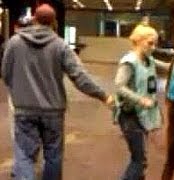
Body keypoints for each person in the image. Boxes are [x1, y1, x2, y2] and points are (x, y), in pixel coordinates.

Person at [1, 4, 108, 180]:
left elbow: (5, 74)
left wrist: (20, 91)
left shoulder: (14, 42)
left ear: (34, 19)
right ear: (54, 22)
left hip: (24, 110)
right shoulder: (61, 46)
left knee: (25, 156)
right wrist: (103, 95)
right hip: (53, 111)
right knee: (53, 156)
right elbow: (80, 77)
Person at [111, 23, 168, 180]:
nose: (153, 47)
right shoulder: (129, 61)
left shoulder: (148, 59)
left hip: (141, 116)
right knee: (139, 161)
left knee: (139, 157)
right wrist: (140, 100)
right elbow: (119, 86)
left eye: (155, 43)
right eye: (150, 43)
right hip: (130, 116)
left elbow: (168, 67)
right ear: (138, 40)